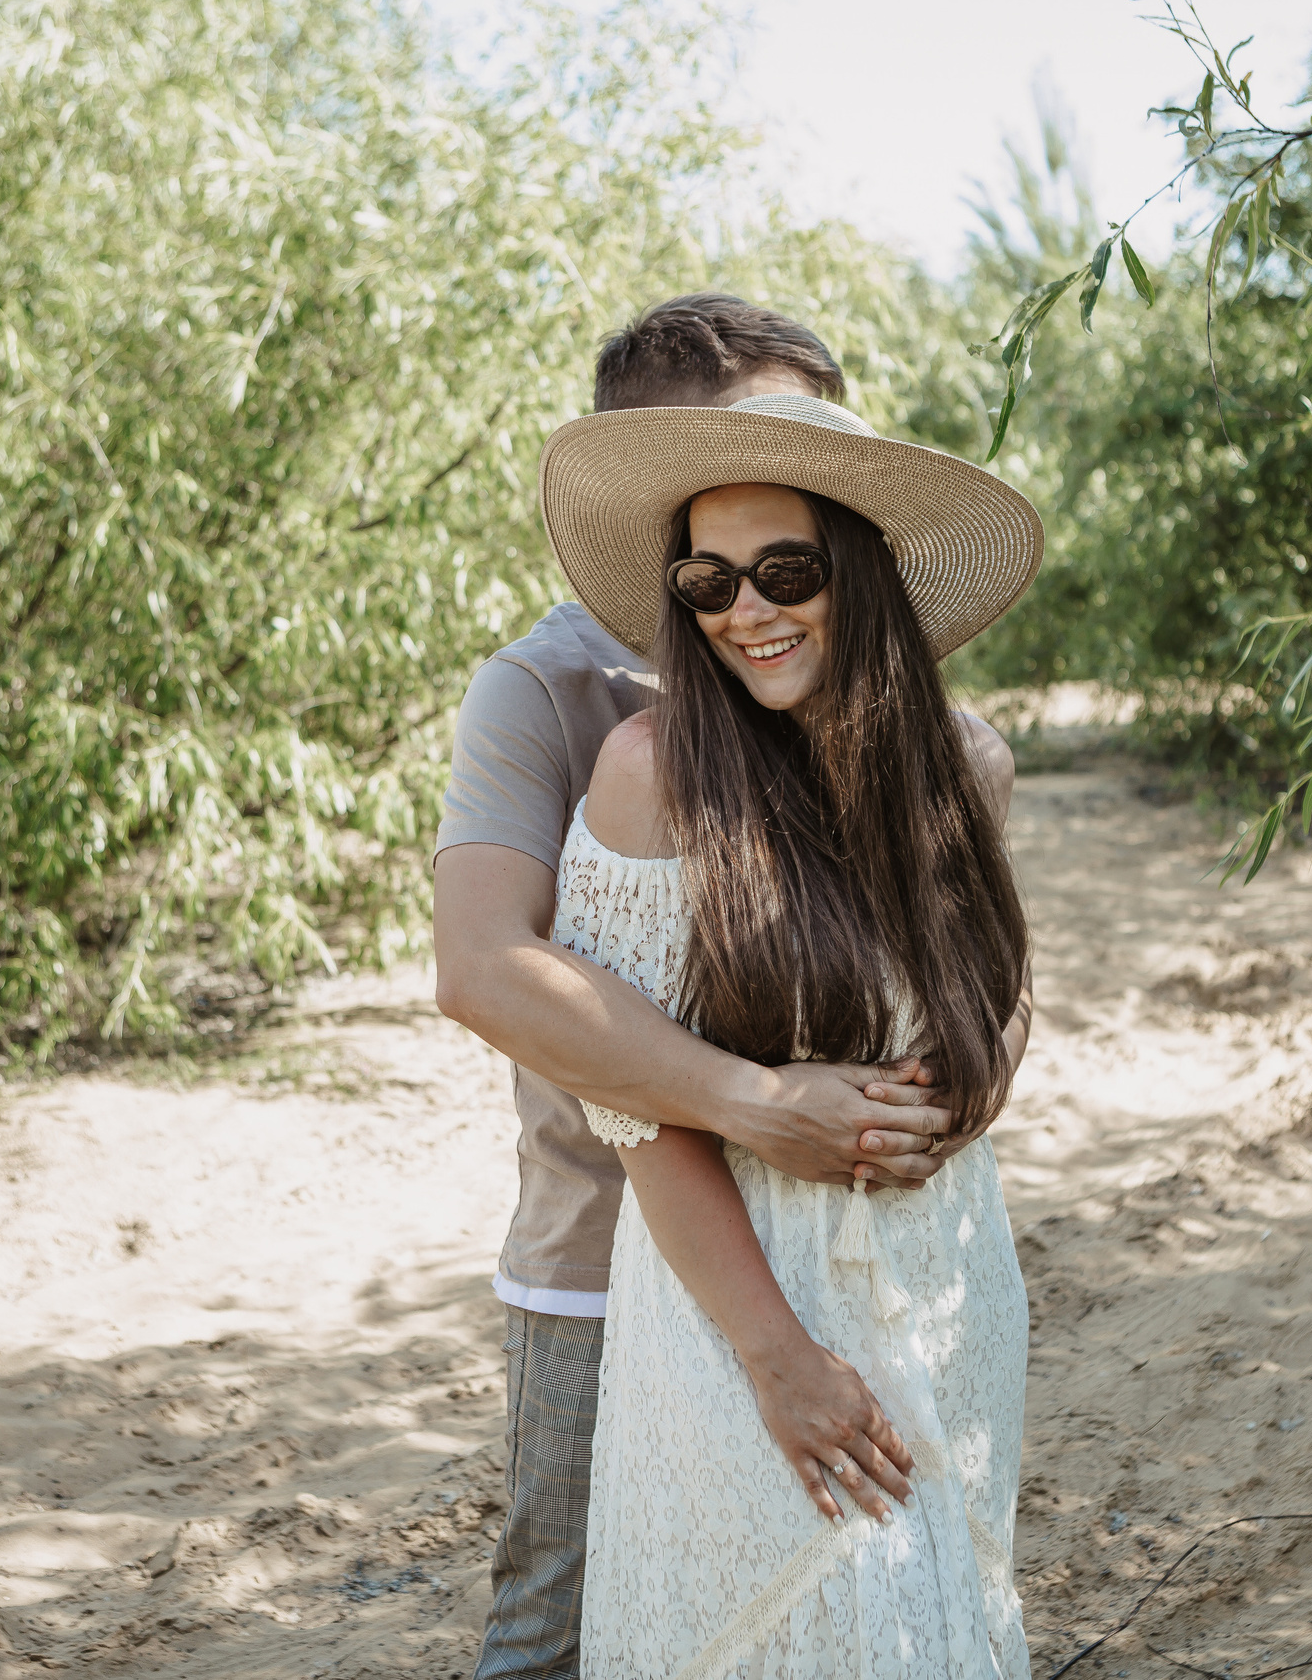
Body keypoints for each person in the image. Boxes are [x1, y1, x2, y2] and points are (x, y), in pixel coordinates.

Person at [432, 295, 1032, 1680]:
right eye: (709, 579)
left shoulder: (941, 746)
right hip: (618, 1247)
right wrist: (758, 1106)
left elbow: (986, 981)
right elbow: (484, 968)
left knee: (905, 1612)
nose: (746, 605)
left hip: (902, 1258)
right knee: (568, 1614)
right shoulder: (556, 698)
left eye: (789, 559)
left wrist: (956, 1092)